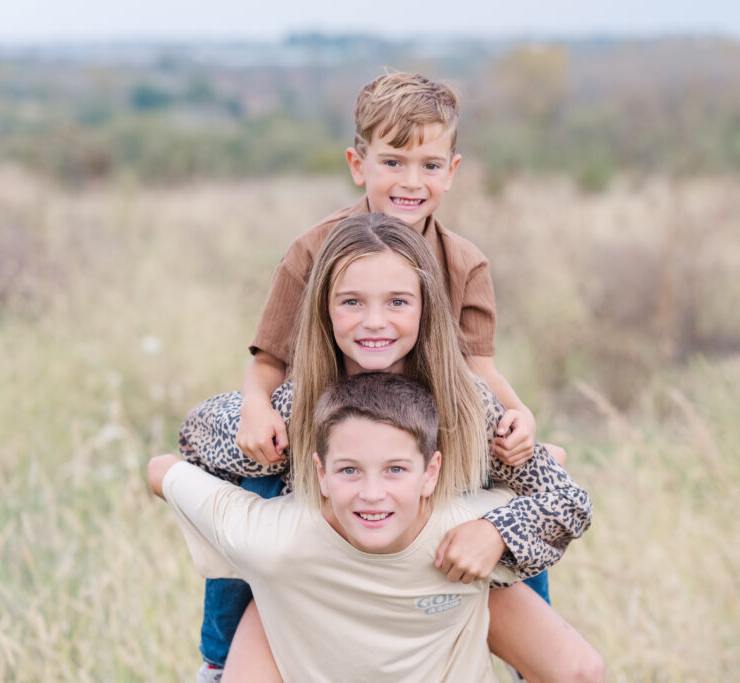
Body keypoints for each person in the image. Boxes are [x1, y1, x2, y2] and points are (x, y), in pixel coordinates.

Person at [182, 71, 561, 676]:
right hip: (327, 421)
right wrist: (256, 408)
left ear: (452, 171)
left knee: (511, 500)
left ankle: (528, 656)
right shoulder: (314, 249)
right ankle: (221, 655)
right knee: (253, 499)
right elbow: (268, 360)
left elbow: (479, 366)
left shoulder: (464, 262)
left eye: (429, 165)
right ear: (358, 164)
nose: (411, 181)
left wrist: (518, 415)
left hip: (419, 422)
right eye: (392, 162)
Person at [181, 213, 602, 682]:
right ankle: (218, 661)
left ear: (425, 308)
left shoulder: (467, 407)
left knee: (577, 668)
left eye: (398, 302)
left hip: (437, 568)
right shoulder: (295, 406)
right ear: (325, 310)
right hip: (316, 577)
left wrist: (497, 532)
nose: (375, 322)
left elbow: (567, 499)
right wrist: (252, 413)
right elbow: (193, 440)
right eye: (352, 302)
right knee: (255, 485)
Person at [151, 372, 538, 681]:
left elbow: (160, 470)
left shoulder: (464, 528)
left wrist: (497, 531)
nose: (372, 494)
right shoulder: (276, 538)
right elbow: (161, 471)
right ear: (320, 473)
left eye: (395, 469)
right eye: (349, 470)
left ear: (431, 472)